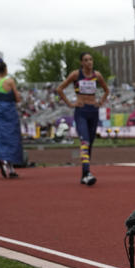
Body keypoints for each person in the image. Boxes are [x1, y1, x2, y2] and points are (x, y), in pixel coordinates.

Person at [55, 52, 110, 186]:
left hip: (93, 111)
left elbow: (106, 90)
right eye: (86, 60)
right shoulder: (75, 74)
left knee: (89, 143)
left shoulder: (97, 75)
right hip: (81, 111)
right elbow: (60, 89)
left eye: (91, 59)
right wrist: (70, 104)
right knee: (84, 141)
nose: (89, 62)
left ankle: (84, 175)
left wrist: (100, 102)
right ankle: (87, 173)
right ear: (81, 63)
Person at [0, 57, 23, 178]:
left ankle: (4, 161)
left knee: (0, 136)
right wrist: (17, 97)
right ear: (5, 69)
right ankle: (11, 165)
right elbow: (17, 98)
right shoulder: (10, 81)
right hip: (9, 111)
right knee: (13, 137)